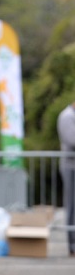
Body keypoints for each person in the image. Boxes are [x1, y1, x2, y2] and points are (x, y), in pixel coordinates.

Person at [57, 101, 75, 256]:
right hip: (70, 167)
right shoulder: (66, 116)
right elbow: (72, 140)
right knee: (71, 206)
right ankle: (72, 244)